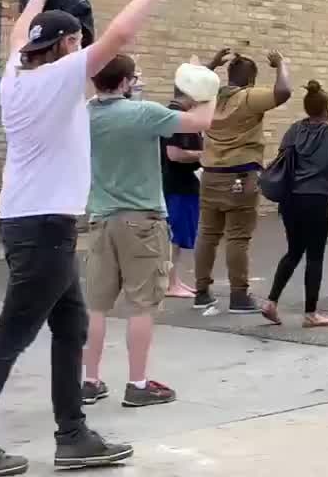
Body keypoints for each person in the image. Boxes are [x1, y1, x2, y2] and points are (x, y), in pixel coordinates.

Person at [0, 0, 197, 474]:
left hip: (33, 223)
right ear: (63, 47)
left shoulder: (17, 71)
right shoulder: (55, 80)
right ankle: (67, 434)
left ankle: (73, 436)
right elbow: (121, 35)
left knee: (73, 325)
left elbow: (18, 30)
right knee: (12, 335)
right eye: (77, 41)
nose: (83, 45)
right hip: (43, 229)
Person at [82, 54, 216, 410]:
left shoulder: (85, 115)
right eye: (134, 75)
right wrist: (203, 80)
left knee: (97, 306)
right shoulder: (144, 114)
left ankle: (90, 381)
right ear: (125, 82)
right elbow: (202, 119)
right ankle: (137, 383)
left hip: (99, 219)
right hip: (141, 220)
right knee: (141, 305)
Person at [261, 81, 328, 328]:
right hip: (316, 200)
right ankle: (311, 313)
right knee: (315, 256)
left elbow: (283, 158)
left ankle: (271, 302)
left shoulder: (293, 131)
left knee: (294, 250)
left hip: (290, 198)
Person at [194, 48, 292, 313]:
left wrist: (210, 64)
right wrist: (281, 64)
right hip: (240, 175)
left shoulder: (211, 96)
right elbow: (283, 92)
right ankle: (238, 295)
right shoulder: (248, 97)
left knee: (207, 233)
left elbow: (191, 85)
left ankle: (201, 291)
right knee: (238, 236)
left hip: (210, 174)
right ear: (251, 79)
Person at [161, 85, 205, 298]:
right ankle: (170, 284)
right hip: (177, 185)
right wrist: (202, 155)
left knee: (177, 237)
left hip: (183, 185)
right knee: (173, 236)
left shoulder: (179, 116)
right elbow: (174, 154)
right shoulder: (175, 118)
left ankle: (174, 280)